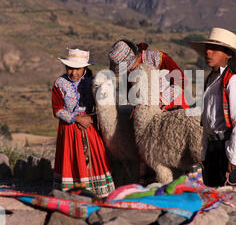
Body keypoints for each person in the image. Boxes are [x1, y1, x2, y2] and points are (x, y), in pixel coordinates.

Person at [189, 27, 236, 187]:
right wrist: (204, 153)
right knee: (213, 196)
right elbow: (207, 122)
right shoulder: (211, 82)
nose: (208, 52)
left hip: (228, 147)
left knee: (232, 197)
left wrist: (235, 157)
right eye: (207, 48)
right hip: (213, 149)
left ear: (228, 54)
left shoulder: (235, 83)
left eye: (215, 49)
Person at [52, 48, 115, 197]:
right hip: (69, 131)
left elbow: (102, 105)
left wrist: (91, 118)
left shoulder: (94, 83)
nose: (73, 73)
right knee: (73, 159)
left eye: (77, 69)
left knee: (95, 157)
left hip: (90, 127)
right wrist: (77, 118)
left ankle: (98, 192)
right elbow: (57, 109)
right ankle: (74, 192)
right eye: (70, 69)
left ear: (85, 68)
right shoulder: (59, 84)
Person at [108, 39, 189, 110]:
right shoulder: (129, 73)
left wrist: (161, 100)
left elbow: (182, 80)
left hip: (174, 107)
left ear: (136, 58)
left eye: (129, 68)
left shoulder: (158, 58)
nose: (128, 71)